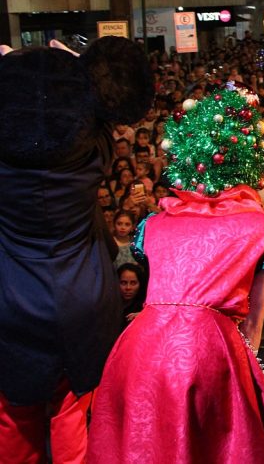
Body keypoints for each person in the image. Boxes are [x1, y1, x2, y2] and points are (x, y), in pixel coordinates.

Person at [88, 85, 264, 462]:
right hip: (207, 350)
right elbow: (252, 326)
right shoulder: (262, 229)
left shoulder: (153, 224)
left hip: (138, 347)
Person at [0, 37, 153, 464]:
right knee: (72, 408)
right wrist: (79, 72)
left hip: (11, 299)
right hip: (82, 297)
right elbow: (106, 122)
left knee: (14, 413)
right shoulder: (92, 158)